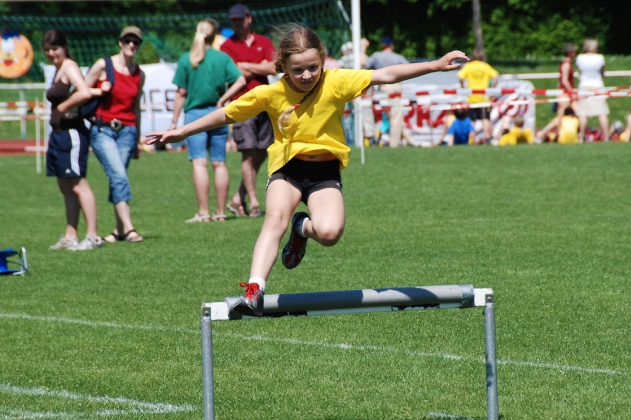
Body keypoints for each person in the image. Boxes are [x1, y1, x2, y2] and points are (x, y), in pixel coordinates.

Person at [146, 24, 468, 317]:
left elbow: (387, 75)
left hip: (325, 171)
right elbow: (226, 115)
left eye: (313, 67)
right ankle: (254, 290)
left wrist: (435, 65)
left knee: (329, 233)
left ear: (323, 60)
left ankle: (302, 228)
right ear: (282, 66)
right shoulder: (270, 94)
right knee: (274, 220)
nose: (306, 75)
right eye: (297, 69)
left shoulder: (337, 82)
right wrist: (181, 131)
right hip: (287, 168)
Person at [171, 19, 247, 223]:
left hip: (194, 115)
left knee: (199, 163)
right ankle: (220, 212)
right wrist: (223, 99)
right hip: (218, 114)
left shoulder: (187, 59)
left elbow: (180, 93)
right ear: (214, 36)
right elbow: (240, 80)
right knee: (219, 163)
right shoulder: (222, 58)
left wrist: (174, 121)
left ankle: (203, 212)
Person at [42, 30, 102, 251]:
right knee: (65, 184)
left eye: (55, 48)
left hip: (72, 133)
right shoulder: (58, 69)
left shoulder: (69, 66)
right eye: (47, 49)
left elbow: (84, 92)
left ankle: (93, 236)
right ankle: (70, 235)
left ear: (64, 47)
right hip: (58, 132)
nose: (51, 53)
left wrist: (64, 107)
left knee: (78, 183)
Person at [84, 26, 145, 243]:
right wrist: (99, 90)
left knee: (119, 177)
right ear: (120, 42)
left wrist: (138, 138)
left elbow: (136, 107)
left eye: (136, 42)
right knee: (118, 175)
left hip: (128, 131)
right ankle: (129, 229)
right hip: (103, 130)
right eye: (128, 40)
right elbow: (80, 90)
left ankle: (118, 231)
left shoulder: (140, 74)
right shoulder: (104, 65)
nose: (131, 45)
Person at [220, 4, 277, 218]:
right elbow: (235, 72)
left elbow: (273, 67)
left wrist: (246, 65)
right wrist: (258, 65)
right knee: (248, 152)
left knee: (263, 150)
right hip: (242, 104)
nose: (236, 23)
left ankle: (237, 198)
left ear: (249, 18)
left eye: (239, 19)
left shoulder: (264, 41)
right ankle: (253, 203)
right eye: (233, 20)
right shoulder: (227, 46)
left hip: (265, 103)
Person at [365, 36, 412, 147]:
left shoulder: (376, 56)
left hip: (385, 87)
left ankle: (401, 141)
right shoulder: (398, 57)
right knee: (396, 117)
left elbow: (365, 64)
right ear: (391, 45)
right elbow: (409, 67)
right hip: (396, 86)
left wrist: (363, 49)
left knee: (392, 117)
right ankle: (395, 143)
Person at [536, 44, 579, 141]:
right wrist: (571, 92)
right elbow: (564, 81)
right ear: (571, 52)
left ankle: (575, 134)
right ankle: (543, 133)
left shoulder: (567, 63)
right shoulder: (566, 64)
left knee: (577, 112)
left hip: (565, 93)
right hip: (565, 93)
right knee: (560, 117)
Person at [457, 49, 499, 143]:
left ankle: (472, 138)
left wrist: (463, 86)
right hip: (483, 97)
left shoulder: (469, 66)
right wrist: (492, 90)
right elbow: (496, 76)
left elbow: (460, 76)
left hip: (472, 97)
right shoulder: (485, 66)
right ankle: (487, 137)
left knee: (472, 120)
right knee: (485, 118)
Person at [576, 38, 609, 142]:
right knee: (601, 113)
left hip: (584, 86)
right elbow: (603, 72)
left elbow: (580, 71)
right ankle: (606, 136)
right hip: (598, 86)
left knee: (583, 113)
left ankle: (581, 136)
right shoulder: (600, 58)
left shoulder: (580, 58)